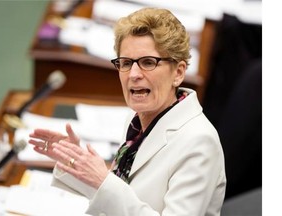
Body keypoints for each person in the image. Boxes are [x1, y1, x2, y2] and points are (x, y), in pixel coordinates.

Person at [29, 7, 226, 216]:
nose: (133, 74)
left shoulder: (199, 142)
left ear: (178, 73)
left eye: (148, 62)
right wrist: (75, 162)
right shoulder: (137, 121)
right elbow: (119, 200)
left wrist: (104, 181)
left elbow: (114, 194)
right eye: (125, 63)